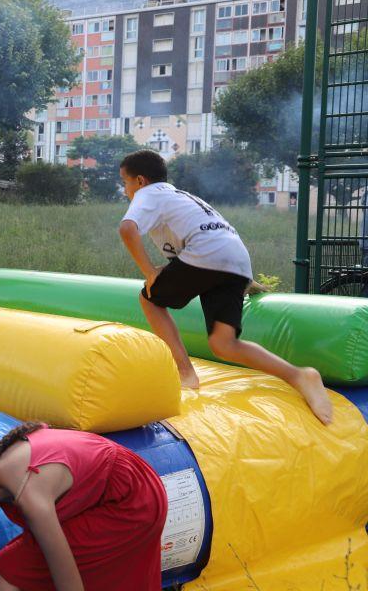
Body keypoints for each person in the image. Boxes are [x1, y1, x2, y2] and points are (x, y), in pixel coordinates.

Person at [117, 149, 332, 424]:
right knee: (224, 343)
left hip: (205, 254)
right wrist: (242, 279)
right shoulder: (182, 197)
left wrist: (149, 273)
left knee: (149, 298)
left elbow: (127, 229)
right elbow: (214, 236)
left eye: (125, 183)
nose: (126, 190)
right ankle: (300, 375)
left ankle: (185, 373)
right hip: (236, 259)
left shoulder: (150, 193)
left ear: (140, 181)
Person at [0, 422, 167, 591]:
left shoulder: (28, 491)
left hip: (130, 503)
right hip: (120, 489)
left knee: (3, 577)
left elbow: (68, 579)